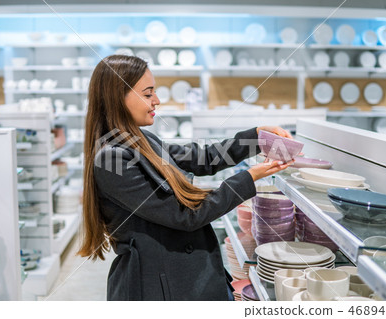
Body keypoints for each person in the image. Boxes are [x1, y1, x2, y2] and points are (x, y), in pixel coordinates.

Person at [78, 55, 294, 301]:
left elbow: (203, 156)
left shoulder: (141, 140)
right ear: (117, 97)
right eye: (147, 94)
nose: (156, 101)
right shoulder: (112, 161)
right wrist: (248, 177)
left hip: (179, 276)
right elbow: (185, 216)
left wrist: (256, 137)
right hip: (158, 286)